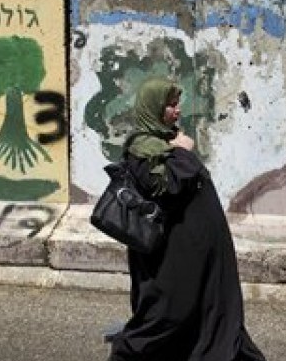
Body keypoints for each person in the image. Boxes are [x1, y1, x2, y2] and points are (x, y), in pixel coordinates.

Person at [107, 78, 267, 361]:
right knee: (170, 312)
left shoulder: (165, 140)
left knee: (212, 305)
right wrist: (182, 152)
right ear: (152, 108)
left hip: (198, 249)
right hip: (174, 255)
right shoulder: (142, 148)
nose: (177, 110)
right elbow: (166, 188)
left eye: (176, 103)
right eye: (170, 105)